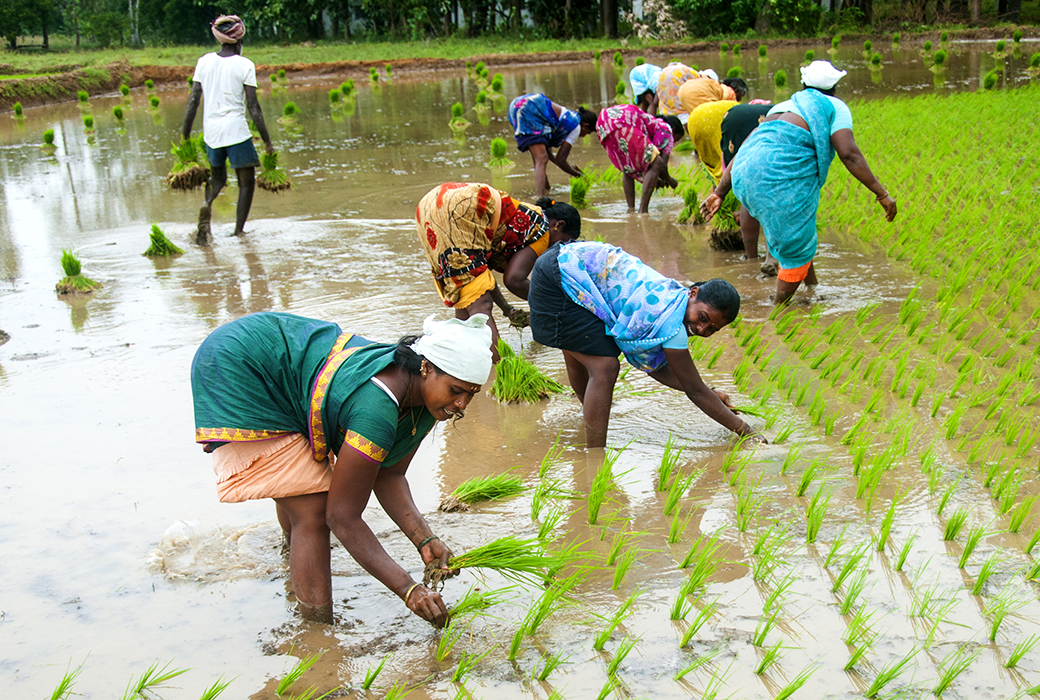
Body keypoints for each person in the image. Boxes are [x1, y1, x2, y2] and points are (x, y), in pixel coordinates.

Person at [191, 311, 493, 625]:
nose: (461, 405)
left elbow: (390, 474)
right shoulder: (376, 409)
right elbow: (342, 517)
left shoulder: (429, 401)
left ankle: (291, 554)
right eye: (456, 391)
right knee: (313, 511)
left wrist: (424, 539)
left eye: (470, 394)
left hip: (285, 364)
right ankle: (316, 633)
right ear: (425, 367)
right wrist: (408, 589)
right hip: (243, 364)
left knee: (302, 490)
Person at [528, 241, 764, 448]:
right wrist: (746, 431)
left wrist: (711, 394)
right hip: (561, 276)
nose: (702, 329)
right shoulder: (670, 323)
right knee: (604, 367)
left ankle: (589, 422)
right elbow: (694, 390)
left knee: (586, 352)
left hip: (565, 265)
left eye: (712, 329)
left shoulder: (673, 299)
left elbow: (660, 369)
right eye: (703, 318)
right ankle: (595, 456)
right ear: (693, 293)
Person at [701, 61, 898, 305]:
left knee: (800, 230)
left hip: (744, 174)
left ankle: (811, 287)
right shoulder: (834, 106)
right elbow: (849, 154)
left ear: (803, 84)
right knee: (796, 244)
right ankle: (779, 309)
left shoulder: (784, 106)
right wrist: (882, 194)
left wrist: (719, 192)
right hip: (778, 179)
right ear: (834, 88)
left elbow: (748, 147)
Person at [415, 182, 582, 359]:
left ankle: (464, 367)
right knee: (482, 304)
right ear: (558, 225)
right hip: (461, 207)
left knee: (466, 301)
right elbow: (514, 280)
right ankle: (499, 370)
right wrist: (558, 304)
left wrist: (507, 309)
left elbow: (481, 276)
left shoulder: (523, 216)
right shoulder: (542, 229)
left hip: (431, 205)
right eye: (564, 241)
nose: (557, 249)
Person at [182, 15, 273, 245]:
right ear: (239, 40)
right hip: (236, 132)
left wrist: (185, 134)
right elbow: (253, 106)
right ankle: (238, 232)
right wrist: (267, 141)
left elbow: (193, 100)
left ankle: (207, 205)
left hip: (211, 132)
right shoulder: (245, 65)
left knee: (218, 177)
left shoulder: (204, 61)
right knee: (246, 183)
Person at [593, 105, 685, 213]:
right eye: (677, 139)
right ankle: (643, 211)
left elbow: (649, 163)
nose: (673, 143)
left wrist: (656, 179)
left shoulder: (650, 124)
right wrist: (670, 181)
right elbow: (661, 166)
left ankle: (630, 209)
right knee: (657, 162)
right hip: (622, 121)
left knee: (628, 167)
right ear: (674, 130)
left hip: (603, 122)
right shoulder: (667, 130)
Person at [507, 94, 597, 197]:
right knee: (541, 158)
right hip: (529, 107)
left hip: (517, 105)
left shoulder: (566, 119)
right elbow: (560, 160)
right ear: (585, 126)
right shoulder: (576, 126)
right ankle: (540, 200)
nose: (583, 136)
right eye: (587, 133)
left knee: (539, 158)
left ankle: (546, 190)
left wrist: (570, 169)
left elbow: (550, 155)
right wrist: (579, 175)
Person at [686, 99, 740, 185]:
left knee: (714, 166)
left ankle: (716, 193)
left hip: (694, 117)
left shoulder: (739, 107)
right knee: (725, 163)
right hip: (710, 119)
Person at [677, 75, 746, 116]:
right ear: (737, 91)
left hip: (683, 90)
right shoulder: (730, 94)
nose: (740, 99)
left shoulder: (717, 88)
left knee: (698, 117)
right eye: (741, 95)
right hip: (694, 92)